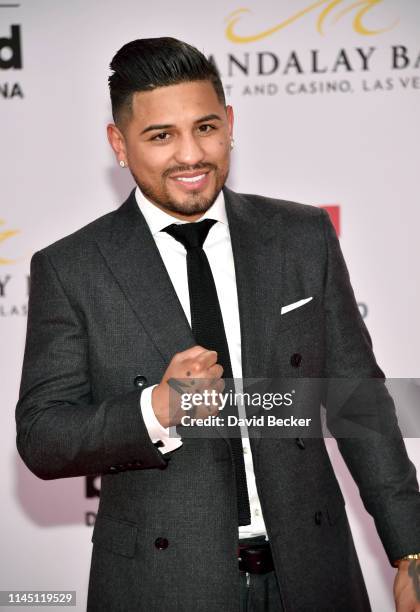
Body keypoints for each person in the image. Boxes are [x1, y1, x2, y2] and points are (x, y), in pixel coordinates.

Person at [16, 37, 420, 612]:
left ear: (229, 122)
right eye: (161, 136)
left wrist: (412, 549)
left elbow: (358, 400)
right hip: (160, 587)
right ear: (119, 144)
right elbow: (42, 436)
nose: (190, 155)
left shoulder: (301, 237)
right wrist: (155, 410)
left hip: (314, 575)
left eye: (205, 127)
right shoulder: (73, 268)